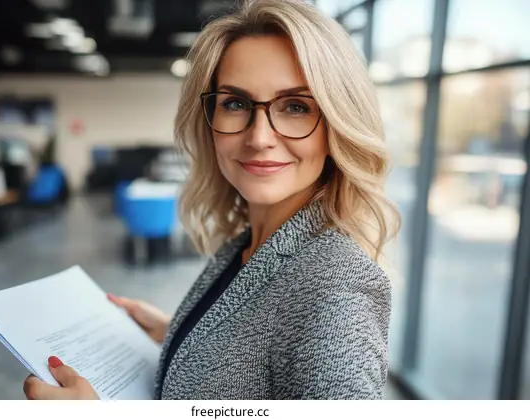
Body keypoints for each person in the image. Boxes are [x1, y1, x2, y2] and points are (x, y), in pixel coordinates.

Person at [23, 0, 401, 400]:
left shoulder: (336, 290)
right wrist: (179, 334)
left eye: (295, 107)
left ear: (337, 126)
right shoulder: (249, 244)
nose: (259, 138)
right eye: (235, 104)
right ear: (210, 122)